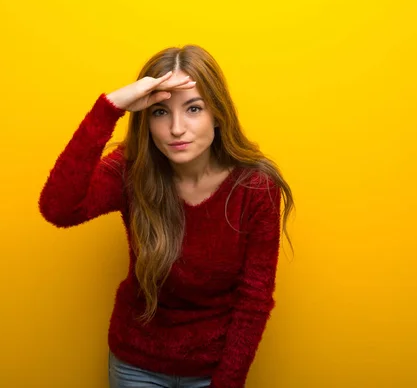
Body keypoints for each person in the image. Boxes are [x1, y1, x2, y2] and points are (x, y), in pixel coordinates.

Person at [38, 44, 294, 388]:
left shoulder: (255, 187)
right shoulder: (132, 171)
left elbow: (254, 298)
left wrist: (226, 383)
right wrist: (110, 107)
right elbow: (59, 208)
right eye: (160, 112)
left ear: (217, 114)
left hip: (213, 369)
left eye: (193, 108)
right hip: (136, 364)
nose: (176, 128)